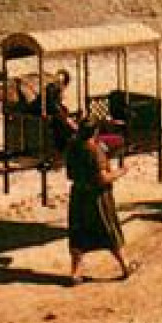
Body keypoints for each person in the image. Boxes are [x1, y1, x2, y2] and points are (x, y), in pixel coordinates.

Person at [65, 119, 133, 284]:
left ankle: (76, 273)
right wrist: (121, 172)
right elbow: (103, 178)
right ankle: (125, 266)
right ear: (95, 132)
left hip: (78, 195)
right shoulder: (95, 151)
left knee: (78, 234)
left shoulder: (73, 148)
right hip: (97, 198)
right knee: (109, 230)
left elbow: (69, 174)